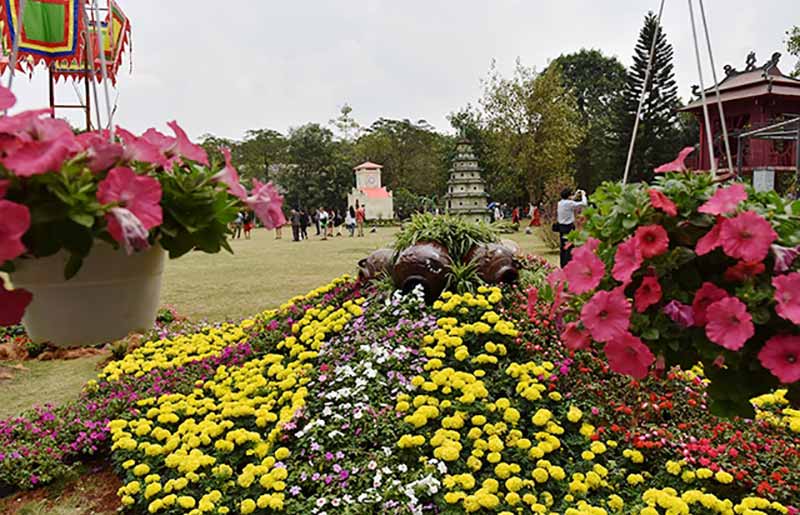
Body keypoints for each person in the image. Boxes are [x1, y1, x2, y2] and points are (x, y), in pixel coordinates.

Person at [556, 188, 587, 267]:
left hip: (561, 227)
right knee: (569, 247)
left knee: (563, 247)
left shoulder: (560, 203)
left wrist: (576, 194)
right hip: (568, 227)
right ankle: (568, 264)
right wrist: (583, 195)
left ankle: (562, 264)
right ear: (569, 196)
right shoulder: (569, 203)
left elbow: (571, 199)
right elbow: (584, 204)